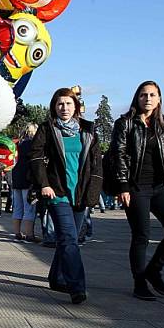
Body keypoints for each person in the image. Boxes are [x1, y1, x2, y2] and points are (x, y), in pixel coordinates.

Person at [111, 81, 164, 301]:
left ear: (159, 99)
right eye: (143, 95)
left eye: (152, 95)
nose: (148, 98)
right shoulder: (125, 123)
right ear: (137, 98)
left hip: (159, 187)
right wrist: (123, 186)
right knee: (141, 236)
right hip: (136, 187)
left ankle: (154, 270)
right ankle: (139, 282)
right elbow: (118, 154)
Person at [31, 88, 102, 305]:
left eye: (69, 104)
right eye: (60, 104)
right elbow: (35, 156)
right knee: (70, 238)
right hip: (57, 192)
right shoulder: (47, 129)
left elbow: (96, 164)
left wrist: (93, 193)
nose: (64, 108)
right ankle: (77, 287)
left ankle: (56, 278)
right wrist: (44, 184)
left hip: (80, 194)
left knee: (67, 239)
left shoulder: (88, 130)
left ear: (76, 107)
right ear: (54, 106)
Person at [11, 124, 38, 242]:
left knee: (18, 207)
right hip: (28, 180)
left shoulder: (16, 144)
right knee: (29, 208)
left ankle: (17, 233)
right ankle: (29, 234)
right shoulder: (32, 144)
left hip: (16, 179)